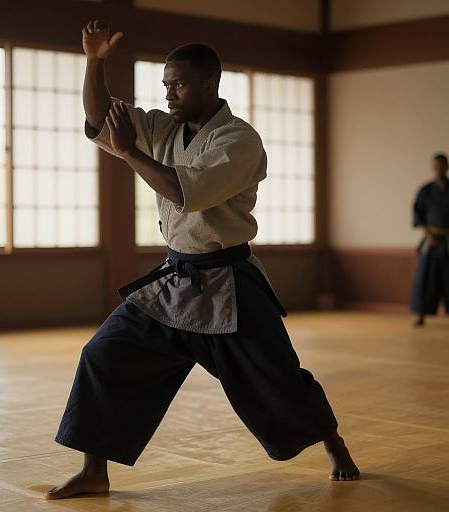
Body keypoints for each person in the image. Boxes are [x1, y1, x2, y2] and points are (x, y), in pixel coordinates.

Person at [46, 19, 360, 500]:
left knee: (278, 383)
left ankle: (332, 441)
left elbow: (183, 192)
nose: (169, 93)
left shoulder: (238, 140)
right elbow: (100, 118)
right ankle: (95, 471)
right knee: (104, 355)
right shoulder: (161, 128)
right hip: (174, 280)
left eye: (180, 83)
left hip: (230, 283)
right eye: (166, 83)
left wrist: (130, 154)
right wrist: (94, 63)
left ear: (210, 82)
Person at [410, 153, 449, 326]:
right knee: (426, 278)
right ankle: (421, 314)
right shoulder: (425, 190)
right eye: (436, 166)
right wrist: (428, 234)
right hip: (431, 240)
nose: (439, 169)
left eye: (442, 166)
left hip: (448, 240)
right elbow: (418, 215)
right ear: (433, 168)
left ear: (447, 167)